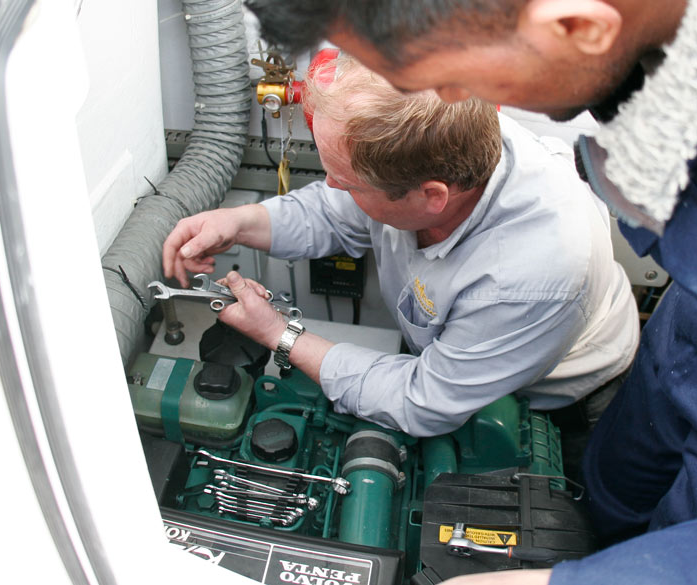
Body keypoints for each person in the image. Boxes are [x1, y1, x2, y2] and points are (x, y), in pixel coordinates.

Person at [244, 1, 697, 585]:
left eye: (444, 81)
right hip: (664, 387)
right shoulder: (678, 51)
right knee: (600, 500)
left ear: (574, 26)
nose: (441, 110)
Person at [162, 55, 639, 438]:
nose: (330, 185)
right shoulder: (445, 134)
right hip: (455, 364)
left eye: (346, 183)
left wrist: (279, 335)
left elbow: (423, 401)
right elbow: (331, 211)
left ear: (430, 197)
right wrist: (236, 222)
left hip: (561, 403)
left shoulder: (529, 275)